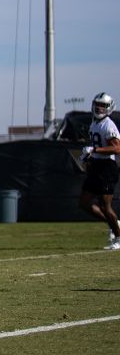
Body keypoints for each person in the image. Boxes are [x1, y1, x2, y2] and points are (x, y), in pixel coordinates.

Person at [78, 92, 120, 250]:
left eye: (102, 105)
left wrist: (94, 149)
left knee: (105, 206)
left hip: (106, 168)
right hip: (96, 165)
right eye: (97, 104)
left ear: (109, 107)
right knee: (84, 203)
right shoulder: (94, 122)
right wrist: (88, 156)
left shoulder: (108, 125)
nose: (99, 107)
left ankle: (118, 237)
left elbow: (117, 148)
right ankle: (114, 224)